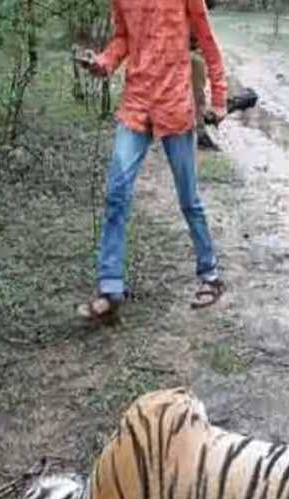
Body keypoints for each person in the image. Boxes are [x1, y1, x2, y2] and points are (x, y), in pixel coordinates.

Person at [76, 0, 228, 320]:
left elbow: (208, 40)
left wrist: (220, 98)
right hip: (136, 102)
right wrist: (102, 62)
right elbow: (122, 39)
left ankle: (210, 276)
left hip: (174, 103)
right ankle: (110, 287)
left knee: (189, 198)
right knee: (117, 191)